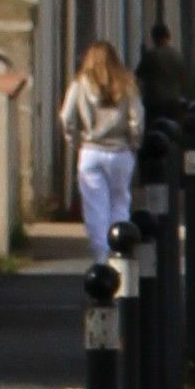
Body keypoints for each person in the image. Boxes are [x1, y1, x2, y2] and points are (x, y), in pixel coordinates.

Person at [60, 40, 146, 264]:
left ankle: (101, 254)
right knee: (120, 200)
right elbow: (137, 119)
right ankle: (121, 251)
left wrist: (75, 140)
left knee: (94, 206)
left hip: (90, 151)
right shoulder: (127, 84)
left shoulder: (79, 84)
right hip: (120, 151)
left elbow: (66, 118)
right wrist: (134, 141)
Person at [135, 22, 183, 116]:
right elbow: (182, 77)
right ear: (168, 37)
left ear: (154, 38)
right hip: (173, 100)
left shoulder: (150, 56)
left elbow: (138, 75)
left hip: (154, 101)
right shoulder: (177, 55)